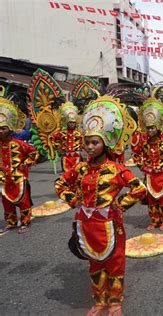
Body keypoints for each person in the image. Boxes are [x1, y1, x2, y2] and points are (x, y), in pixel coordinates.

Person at [55, 95, 146, 316]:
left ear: (106, 143)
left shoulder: (117, 169)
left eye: (95, 142)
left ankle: (115, 301)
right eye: (87, 142)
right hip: (87, 224)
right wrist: (73, 200)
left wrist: (119, 206)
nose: (90, 146)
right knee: (94, 262)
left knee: (115, 262)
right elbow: (60, 183)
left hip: (111, 223)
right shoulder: (80, 169)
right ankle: (99, 300)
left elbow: (140, 189)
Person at [131, 97, 163, 231]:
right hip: (149, 175)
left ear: (158, 128)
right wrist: (141, 166)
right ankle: (154, 220)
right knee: (151, 200)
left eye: (152, 128)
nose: (150, 131)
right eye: (148, 128)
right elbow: (135, 153)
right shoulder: (144, 144)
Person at [0, 91, 39, 235]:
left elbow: (34, 153)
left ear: (10, 128)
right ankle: (10, 223)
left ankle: (25, 221)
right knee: (7, 203)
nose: (0, 131)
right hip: (3, 179)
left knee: (23, 201)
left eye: (3, 128)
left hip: (18, 179)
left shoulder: (18, 144)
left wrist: (26, 163)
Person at [50, 102, 83, 172]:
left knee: (77, 174)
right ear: (67, 123)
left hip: (77, 156)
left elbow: (85, 142)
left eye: (73, 123)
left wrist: (82, 146)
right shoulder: (62, 133)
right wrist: (57, 146)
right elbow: (52, 138)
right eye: (70, 123)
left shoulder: (79, 133)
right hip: (66, 157)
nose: (72, 124)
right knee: (66, 174)